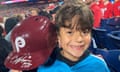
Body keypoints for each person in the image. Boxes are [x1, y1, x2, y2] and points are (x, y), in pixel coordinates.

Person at [37, 3, 110, 72]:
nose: (79, 39)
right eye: (70, 32)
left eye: (85, 32)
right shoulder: (45, 68)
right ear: (58, 35)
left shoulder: (99, 66)